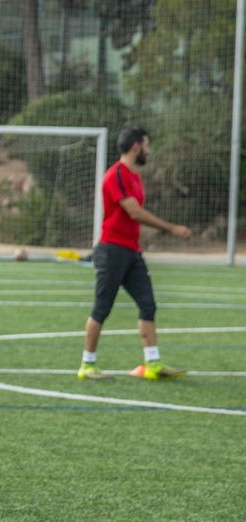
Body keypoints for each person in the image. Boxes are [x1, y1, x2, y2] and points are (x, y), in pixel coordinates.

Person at [77, 126, 193, 381]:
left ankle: (152, 363)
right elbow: (134, 212)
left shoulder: (134, 177)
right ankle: (87, 364)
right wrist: (171, 228)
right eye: (147, 145)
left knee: (148, 304)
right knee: (102, 308)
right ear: (136, 147)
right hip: (111, 251)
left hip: (131, 252)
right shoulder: (116, 174)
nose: (149, 151)